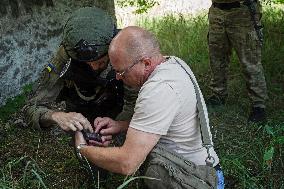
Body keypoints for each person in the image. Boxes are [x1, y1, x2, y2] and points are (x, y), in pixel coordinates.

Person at [74, 26, 224, 188]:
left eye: (121, 72)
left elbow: (127, 163)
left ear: (146, 63)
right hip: (204, 169)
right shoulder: (173, 63)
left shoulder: (158, 89)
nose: (117, 77)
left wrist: (82, 148)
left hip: (194, 179)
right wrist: (120, 126)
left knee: (144, 165)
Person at [23, 7, 138, 135]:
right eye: (86, 63)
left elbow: (136, 103)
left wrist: (118, 127)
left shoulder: (126, 52)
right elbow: (31, 108)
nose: (94, 68)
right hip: (81, 111)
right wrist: (56, 116)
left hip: (121, 110)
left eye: (100, 62)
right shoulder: (65, 58)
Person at [207, 0, 268, 123]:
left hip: (242, 12)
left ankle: (258, 105)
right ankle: (218, 95)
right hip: (217, 12)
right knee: (217, 58)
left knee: (250, 61)